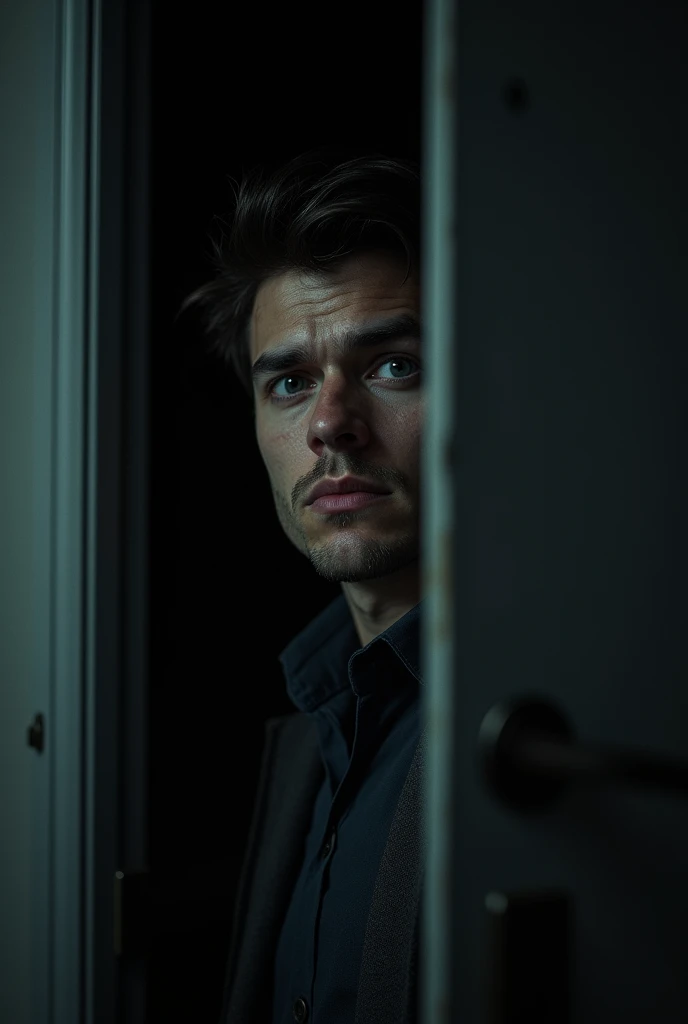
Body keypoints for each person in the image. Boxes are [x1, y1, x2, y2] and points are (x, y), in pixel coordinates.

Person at [184, 149, 426, 1024]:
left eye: (393, 365)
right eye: (289, 382)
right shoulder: (307, 731)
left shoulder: (544, 725)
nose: (329, 422)